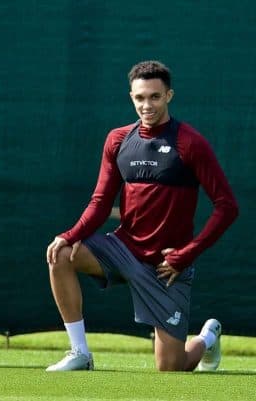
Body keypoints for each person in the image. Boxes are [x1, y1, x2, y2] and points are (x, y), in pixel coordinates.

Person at [45, 60, 238, 372]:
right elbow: (99, 202)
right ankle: (80, 353)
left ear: (169, 96)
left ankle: (207, 339)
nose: (146, 105)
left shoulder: (190, 143)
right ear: (131, 97)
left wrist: (186, 255)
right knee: (60, 254)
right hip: (122, 250)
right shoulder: (118, 140)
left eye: (154, 97)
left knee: (171, 367)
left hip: (166, 265)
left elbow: (227, 206)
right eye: (139, 98)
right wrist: (69, 234)